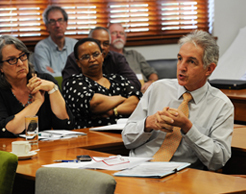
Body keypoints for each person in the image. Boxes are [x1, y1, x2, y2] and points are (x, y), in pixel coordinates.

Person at [122, 30, 234, 171]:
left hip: (182, 176)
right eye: (180, 58)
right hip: (137, 166)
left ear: (209, 69)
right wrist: (148, 123)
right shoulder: (158, 88)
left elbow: (219, 160)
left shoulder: (221, 105)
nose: (182, 67)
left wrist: (188, 128)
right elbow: (127, 138)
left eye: (191, 61)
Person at [0, 35, 74, 138]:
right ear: (1, 68)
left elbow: (66, 125)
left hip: (48, 149)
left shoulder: (45, 81)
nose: (21, 63)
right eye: (12, 60)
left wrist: (53, 89)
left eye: (22, 56)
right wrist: (37, 103)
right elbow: (7, 130)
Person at [63, 38, 142, 129]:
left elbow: (137, 102)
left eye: (95, 54)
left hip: (126, 133)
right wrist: (122, 98)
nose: (92, 59)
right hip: (92, 136)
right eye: (85, 57)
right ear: (78, 63)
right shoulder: (73, 83)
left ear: (102, 57)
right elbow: (95, 104)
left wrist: (113, 111)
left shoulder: (117, 79)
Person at [62, 27, 141, 90]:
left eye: (106, 44)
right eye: (97, 43)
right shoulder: (76, 58)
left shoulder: (117, 58)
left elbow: (135, 83)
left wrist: (110, 91)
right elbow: (67, 86)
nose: (102, 47)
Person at [108, 23, 158, 93]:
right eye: (114, 33)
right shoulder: (106, 59)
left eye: (121, 33)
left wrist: (151, 82)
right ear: (107, 38)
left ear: (125, 38)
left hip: (144, 92)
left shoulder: (134, 55)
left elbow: (152, 73)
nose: (118, 36)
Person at [33, 5, 77, 77]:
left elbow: (82, 70)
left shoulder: (75, 45)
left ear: (66, 24)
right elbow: (46, 74)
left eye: (60, 20)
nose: (57, 25)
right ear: (47, 26)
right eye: (52, 21)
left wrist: (54, 73)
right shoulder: (41, 47)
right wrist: (72, 75)